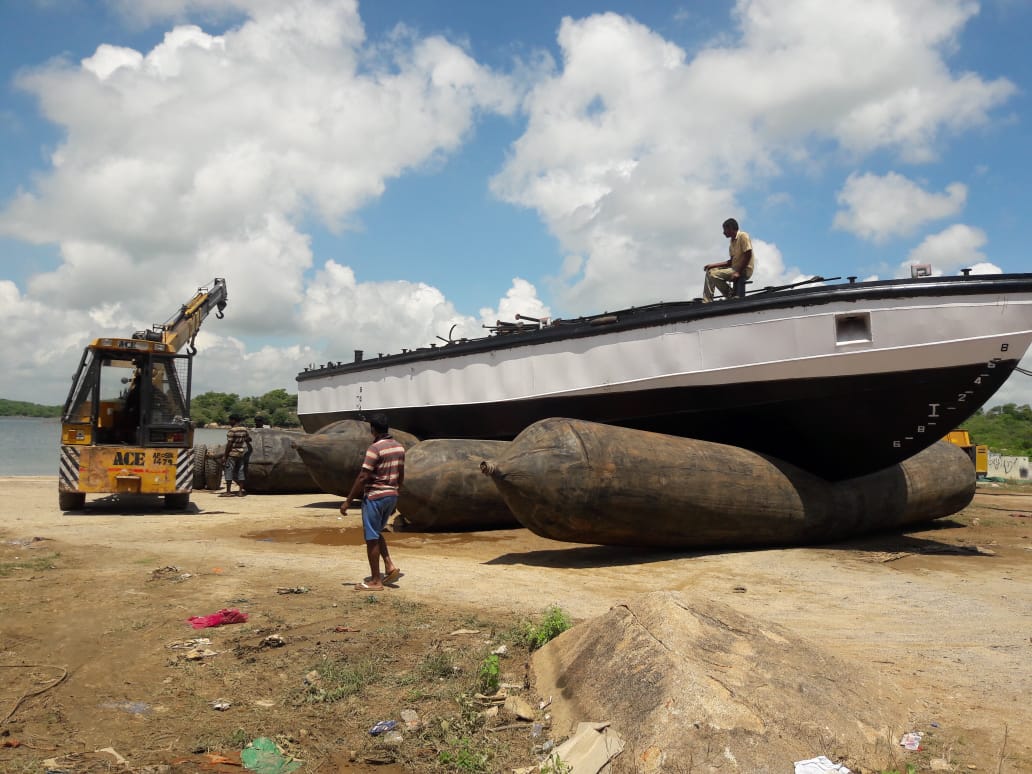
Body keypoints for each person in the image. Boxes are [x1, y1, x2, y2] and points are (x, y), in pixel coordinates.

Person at [342, 413, 404, 591]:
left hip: (375, 496)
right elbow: (401, 474)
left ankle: (376, 581)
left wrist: (348, 501)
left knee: (371, 538)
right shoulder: (399, 448)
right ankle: (389, 565)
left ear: (373, 429)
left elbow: (363, 476)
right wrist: (396, 495)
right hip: (391, 495)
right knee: (376, 532)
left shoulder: (374, 448)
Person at [702, 218, 754, 302]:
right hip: (734, 268)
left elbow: (748, 254)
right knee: (710, 271)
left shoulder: (743, 236)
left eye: (725, 230)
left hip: (744, 269)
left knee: (713, 274)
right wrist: (712, 265)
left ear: (730, 228)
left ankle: (730, 294)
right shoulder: (732, 242)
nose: (723, 232)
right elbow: (731, 262)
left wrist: (738, 272)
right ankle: (707, 301)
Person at [221, 413, 253, 497]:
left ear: (233, 420)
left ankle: (228, 492)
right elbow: (249, 439)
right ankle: (240, 492)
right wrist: (246, 440)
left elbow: (229, 444)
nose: (229, 422)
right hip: (241, 453)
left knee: (229, 470)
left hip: (232, 453)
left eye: (230, 420)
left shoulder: (232, 431)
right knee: (241, 471)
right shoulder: (244, 429)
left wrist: (225, 456)